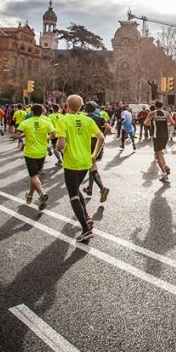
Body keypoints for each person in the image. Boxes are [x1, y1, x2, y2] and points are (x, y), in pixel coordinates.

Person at [55, 95, 104, 242]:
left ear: (67, 106)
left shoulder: (63, 120)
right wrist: (94, 155)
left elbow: (61, 145)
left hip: (71, 163)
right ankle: (87, 218)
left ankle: (85, 230)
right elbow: (101, 137)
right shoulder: (88, 120)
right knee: (76, 189)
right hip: (86, 162)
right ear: (81, 106)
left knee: (73, 195)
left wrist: (58, 146)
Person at [15, 104, 56, 210]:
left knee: (33, 176)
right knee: (35, 175)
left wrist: (23, 135)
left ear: (31, 112)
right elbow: (54, 134)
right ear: (42, 112)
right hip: (42, 152)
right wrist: (47, 137)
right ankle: (30, 195)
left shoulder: (25, 123)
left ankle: (42, 194)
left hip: (30, 153)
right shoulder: (47, 122)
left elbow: (17, 135)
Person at [83, 102, 111, 199]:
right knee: (92, 165)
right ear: (95, 109)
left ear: (85, 109)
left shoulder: (83, 118)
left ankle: (102, 188)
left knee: (92, 166)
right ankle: (90, 189)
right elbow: (108, 127)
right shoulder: (100, 118)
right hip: (97, 143)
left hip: (86, 144)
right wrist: (103, 134)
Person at [145, 100, 171, 183]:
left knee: (158, 154)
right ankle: (165, 167)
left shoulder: (153, 113)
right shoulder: (166, 113)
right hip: (165, 135)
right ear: (162, 106)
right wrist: (165, 125)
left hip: (157, 135)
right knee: (160, 153)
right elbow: (173, 122)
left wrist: (153, 125)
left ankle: (164, 174)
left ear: (155, 106)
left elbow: (146, 123)